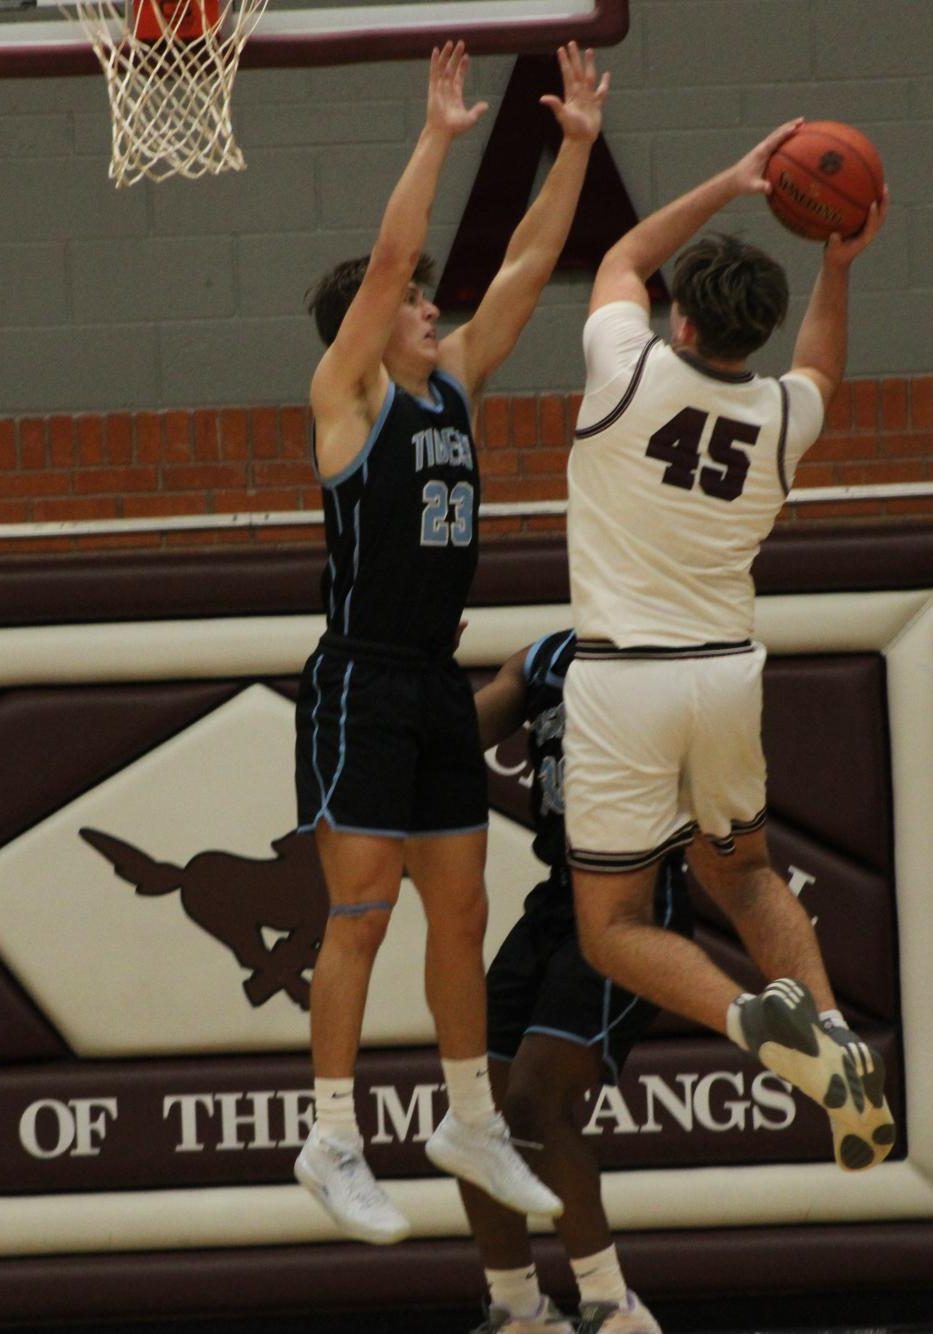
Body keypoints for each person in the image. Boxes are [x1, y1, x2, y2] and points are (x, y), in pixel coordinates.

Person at [293, 40, 610, 1245]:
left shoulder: (456, 382)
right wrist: (435, 136)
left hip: (430, 685)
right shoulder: (348, 397)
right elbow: (383, 263)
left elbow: (531, 265)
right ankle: (330, 1135)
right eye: (417, 300)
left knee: (463, 910)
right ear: (370, 327)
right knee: (359, 913)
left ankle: (467, 1114)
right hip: (358, 682)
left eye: (431, 297)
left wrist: (573, 148)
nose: (432, 305)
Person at [561, 120, 895, 1174]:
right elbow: (821, 371)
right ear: (748, 335)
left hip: (626, 677)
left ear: (682, 317)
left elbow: (618, 254)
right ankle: (833, 1032)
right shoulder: (779, 419)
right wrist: (836, 267)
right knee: (742, 873)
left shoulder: (623, 372)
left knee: (609, 924)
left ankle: (765, 1030)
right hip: (724, 671)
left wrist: (732, 175)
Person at [463, 629, 686, 1334]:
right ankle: (518, 1310)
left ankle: (614, 1305)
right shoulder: (548, 656)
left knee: (533, 1102)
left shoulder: (681, 650)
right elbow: (468, 726)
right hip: (557, 896)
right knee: (476, 1116)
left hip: (634, 897)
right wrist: (413, 676)